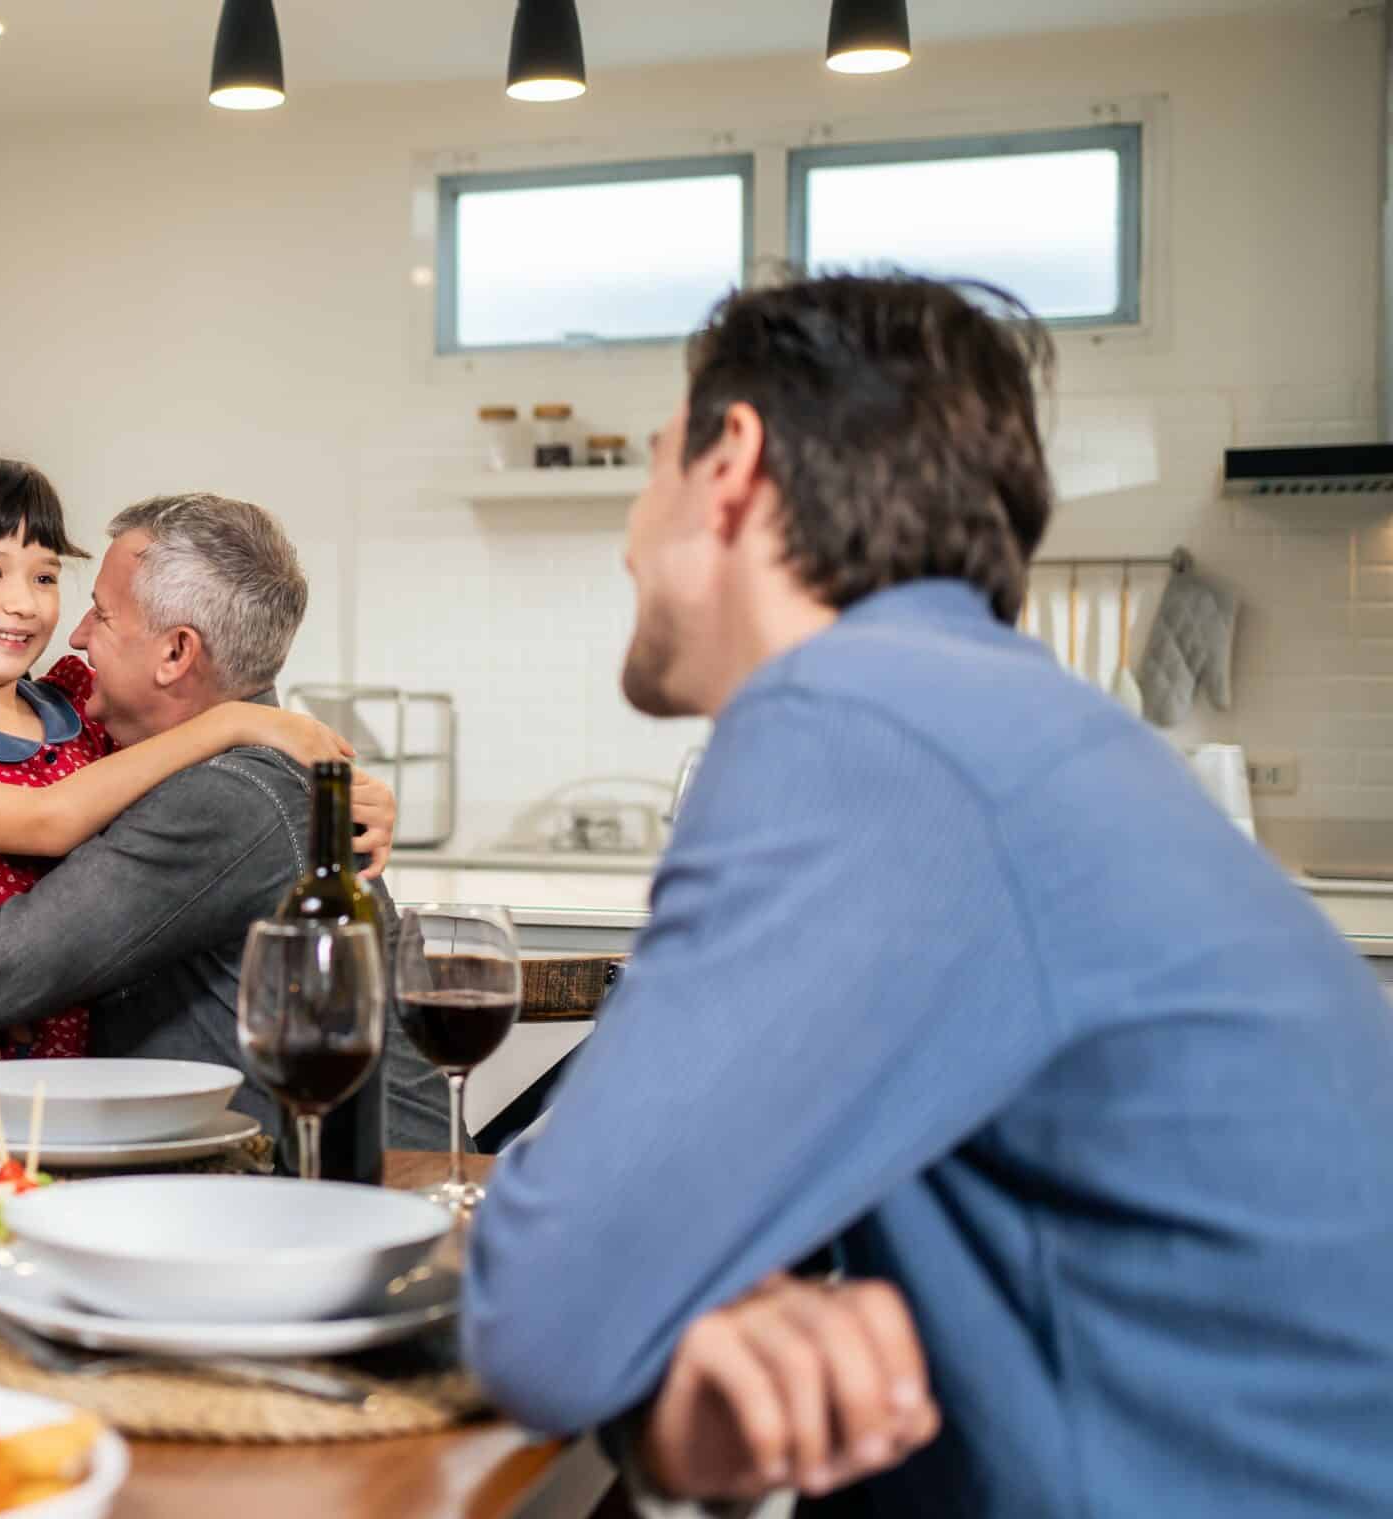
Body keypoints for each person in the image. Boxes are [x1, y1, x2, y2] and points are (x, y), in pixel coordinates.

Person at [462, 274, 1393, 1515]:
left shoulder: (857, 718)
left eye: (648, 471)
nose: (632, 539)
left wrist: (653, 1308)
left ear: (730, 460)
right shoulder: (992, 712)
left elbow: (547, 1308)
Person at [0, 493, 447, 1152]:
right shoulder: (168, 767)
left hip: (342, 1205)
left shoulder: (226, 797)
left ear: (176, 653)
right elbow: (25, 947)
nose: (78, 633)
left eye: (103, 613)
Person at [0, 457, 357, 1064]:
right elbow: (49, 820)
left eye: (44, 577)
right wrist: (233, 721)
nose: (26, 604)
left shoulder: (77, 709)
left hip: (88, 1074)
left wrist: (348, 795)